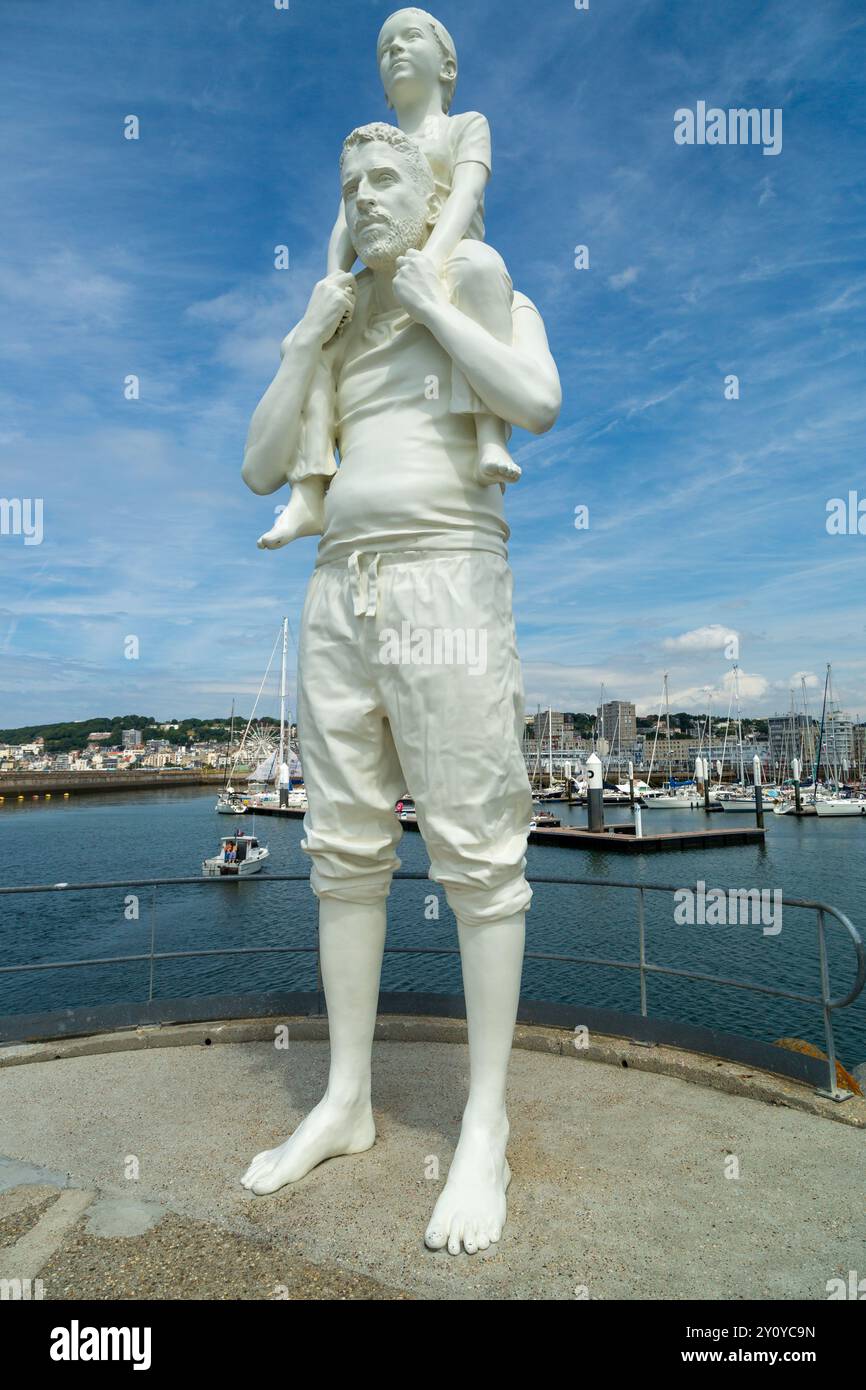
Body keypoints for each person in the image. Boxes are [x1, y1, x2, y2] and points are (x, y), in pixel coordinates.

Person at [240, 121, 560, 1256]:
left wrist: (429, 301)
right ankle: (346, 1097)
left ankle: (484, 1123)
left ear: (431, 191)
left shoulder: (478, 284)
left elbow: (534, 400)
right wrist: (301, 343)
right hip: (338, 592)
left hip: (447, 580)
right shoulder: (334, 320)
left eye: (386, 178)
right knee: (341, 853)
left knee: (476, 853)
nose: (365, 196)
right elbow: (261, 465)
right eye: (349, 184)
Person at [257, 9, 520, 552]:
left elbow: (464, 195)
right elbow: (344, 226)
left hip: (446, 270)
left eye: (410, 38)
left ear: (447, 65)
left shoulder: (465, 126)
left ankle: (490, 433)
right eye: (384, 47)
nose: (395, 51)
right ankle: (309, 489)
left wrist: (434, 257)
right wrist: (334, 285)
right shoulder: (371, 149)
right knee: (317, 345)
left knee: (479, 264)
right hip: (382, 274)